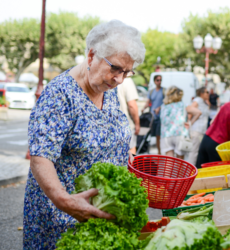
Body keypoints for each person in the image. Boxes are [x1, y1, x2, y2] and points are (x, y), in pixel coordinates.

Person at [24, 20, 146, 248]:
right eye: (115, 68)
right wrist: (64, 200)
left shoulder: (106, 88)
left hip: (99, 216)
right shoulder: (60, 95)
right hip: (63, 218)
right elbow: (40, 158)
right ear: (91, 56)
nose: (119, 79)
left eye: (127, 72)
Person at [160, 86, 201, 159]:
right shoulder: (183, 105)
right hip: (179, 134)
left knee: (169, 162)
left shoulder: (164, 106)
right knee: (179, 163)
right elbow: (198, 112)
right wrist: (190, 122)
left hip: (166, 135)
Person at [187, 87, 210, 165]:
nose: (208, 94)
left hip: (202, 130)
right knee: (194, 152)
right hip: (196, 130)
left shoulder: (204, 102)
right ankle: (190, 170)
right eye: (207, 92)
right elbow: (190, 112)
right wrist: (189, 123)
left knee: (197, 151)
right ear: (201, 93)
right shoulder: (197, 100)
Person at [142, 75, 165, 155]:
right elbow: (148, 101)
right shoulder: (151, 91)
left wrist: (159, 108)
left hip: (160, 117)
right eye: (158, 80)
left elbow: (166, 102)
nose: (159, 82)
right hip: (152, 117)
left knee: (158, 136)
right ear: (154, 81)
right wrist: (143, 108)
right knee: (150, 135)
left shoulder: (164, 91)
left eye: (160, 80)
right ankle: (149, 152)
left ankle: (159, 153)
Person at [117, 77, 140, 155]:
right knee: (131, 150)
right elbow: (132, 105)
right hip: (125, 125)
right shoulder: (126, 80)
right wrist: (137, 124)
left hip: (109, 125)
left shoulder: (106, 79)